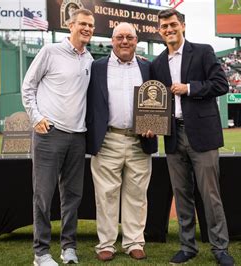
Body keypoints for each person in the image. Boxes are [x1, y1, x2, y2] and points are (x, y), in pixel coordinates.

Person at [150, 8, 234, 266]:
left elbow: (221, 85)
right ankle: (188, 246)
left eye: (173, 25)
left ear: (182, 25)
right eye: (164, 27)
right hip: (173, 135)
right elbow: (157, 102)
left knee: (210, 195)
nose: (169, 30)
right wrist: (152, 123)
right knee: (182, 194)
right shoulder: (157, 63)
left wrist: (189, 88)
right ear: (159, 31)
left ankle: (220, 248)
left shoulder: (203, 51)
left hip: (202, 134)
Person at [21, 8, 95, 266]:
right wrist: (36, 118)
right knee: (43, 195)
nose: (87, 28)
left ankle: (68, 247)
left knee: (72, 196)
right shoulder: (50, 51)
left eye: (91, 25)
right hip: (49, 133)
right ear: (70, 26)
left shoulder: (89, 58)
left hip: (78, 137)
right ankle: (41, 253)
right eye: (83, 24)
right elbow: (28, 85)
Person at [85, 22, 157, 262]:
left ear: (136, 41)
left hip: (140, 140)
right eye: (120, 37)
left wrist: (154, 126)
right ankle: (106, 244)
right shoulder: (96, 67)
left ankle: (134, 241)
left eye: (130, 37)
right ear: (112, 41)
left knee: (137, 194)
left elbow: (159, 101)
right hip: (108, 139)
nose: (125, 41)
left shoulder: (149, 67)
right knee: (106, 195)